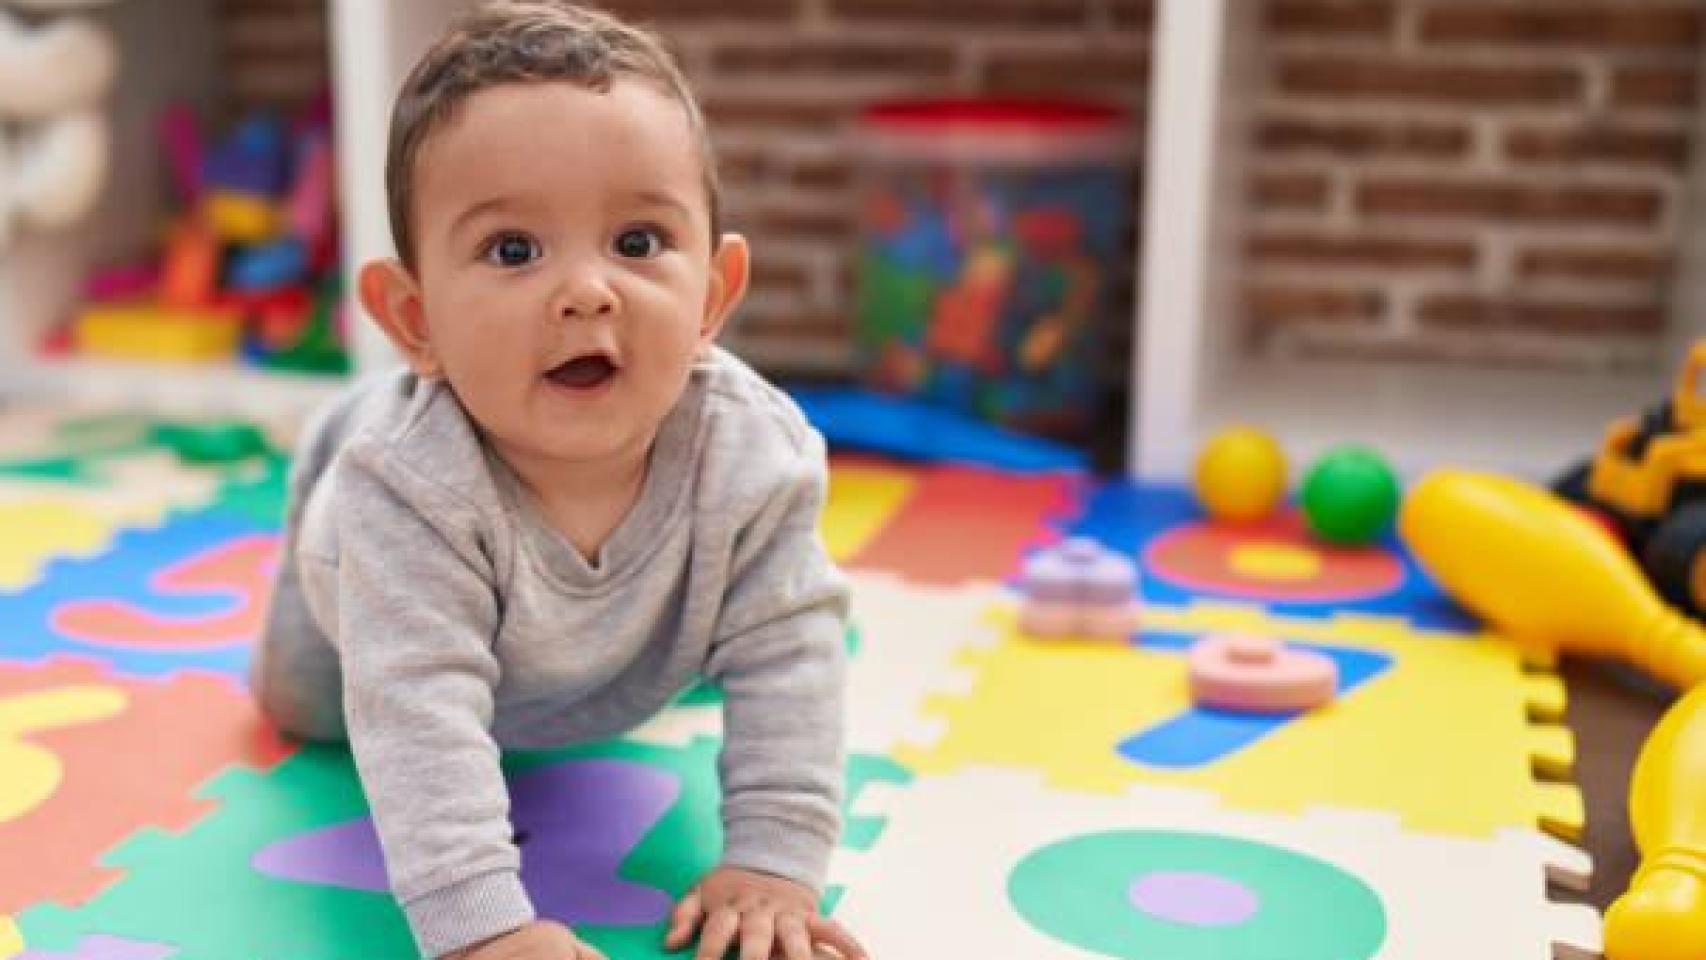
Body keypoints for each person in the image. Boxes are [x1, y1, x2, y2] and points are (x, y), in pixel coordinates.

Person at [251, 4, 863, 958]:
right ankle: (336, 436)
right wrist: (482, 928)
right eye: (513, 251)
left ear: (712, 295)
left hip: (605, 649)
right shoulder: (403, 490)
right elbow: (416, 718)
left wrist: (775, 862)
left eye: (637, 242)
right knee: (308, 714)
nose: (588, 291)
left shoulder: (757, 456)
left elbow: (793, 659)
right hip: (360, 591)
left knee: (763, 625)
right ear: (415, 320)